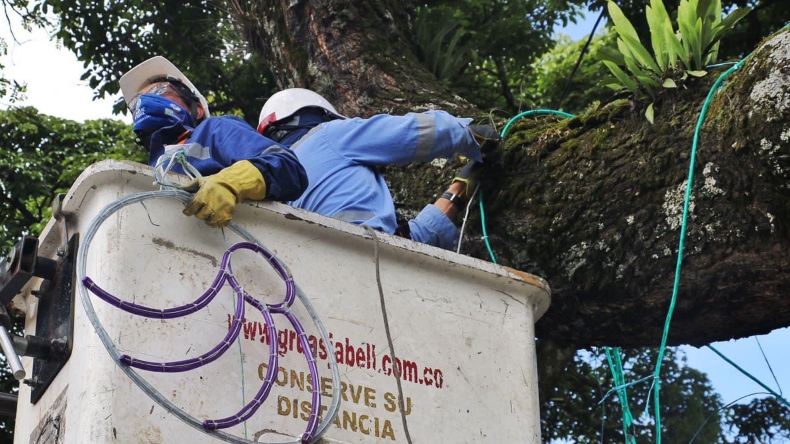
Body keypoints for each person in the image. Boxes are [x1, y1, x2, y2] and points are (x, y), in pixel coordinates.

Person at [257, 88, 499, 250]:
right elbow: (413, 133)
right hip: (370, 259)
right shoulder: (328, 136)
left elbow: (405, 242)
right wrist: (467, 134)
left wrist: (458, 192)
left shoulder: (271, 186)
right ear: (319, 115)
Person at [119, 56, 308, 228]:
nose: (144, 102)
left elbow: (288, 167)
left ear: (198, 109)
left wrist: (231, 182)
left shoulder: (213, 130)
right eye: (136, 103)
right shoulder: (151, 172)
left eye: (158, 90)